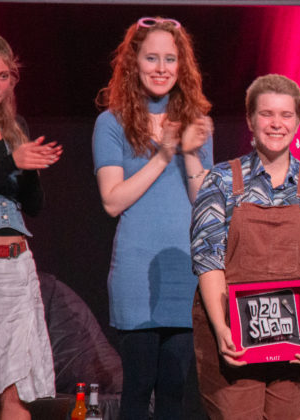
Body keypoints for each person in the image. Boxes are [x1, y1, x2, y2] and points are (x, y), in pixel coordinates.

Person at [190, 74, 300, 420]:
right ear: (250, 120)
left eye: (286, 115)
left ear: (298, 121)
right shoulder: (220, 181)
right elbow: (208, 260)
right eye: (266, 114)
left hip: (296, 343)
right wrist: (222, 330)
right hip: (233, 340)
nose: (276, 123)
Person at [92, 17, 213, 420]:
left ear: (182, 66)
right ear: (134, 63)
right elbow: (112, 201)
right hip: (137, 272)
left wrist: (190, 151)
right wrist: (163, 154)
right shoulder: (112, 123)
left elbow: (204, 202)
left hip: (183, 270)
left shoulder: (196, 122)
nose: (161, 68)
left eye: (170, 59)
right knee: (139, 386)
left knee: (175, 392)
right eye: (151, 58)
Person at [0, 32, 61, 420]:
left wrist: (31, 170)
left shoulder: (17, 128)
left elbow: (34, 207)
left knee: (16, 389)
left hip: (16, 267)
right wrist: (12, 163)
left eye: (2, 76)